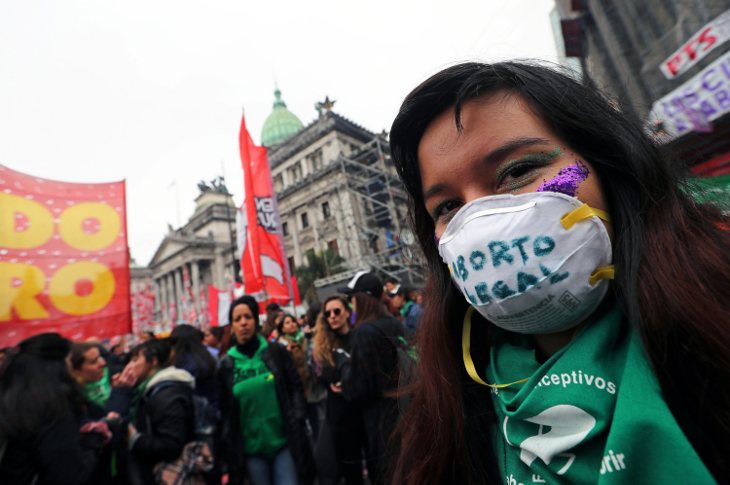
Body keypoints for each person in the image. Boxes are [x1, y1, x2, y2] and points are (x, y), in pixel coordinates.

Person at [387, 61, 730, 483]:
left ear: (610, 163)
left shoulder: (718, 315)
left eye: (517, 171)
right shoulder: (443, 414)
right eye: (447, 207)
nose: (481, 222)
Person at [218, 295, 315, 485]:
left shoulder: (275, 352)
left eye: (248, 317)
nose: (243, 323)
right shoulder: (226, 365)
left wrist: (298, 416)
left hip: (283, 443)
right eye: (237, 319)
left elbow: (294, 387)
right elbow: (225, 411)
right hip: (252, 450)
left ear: (256, 321)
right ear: (232, 326)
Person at [0, 333, 109, 485]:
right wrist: (94, 439)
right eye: (69, 364)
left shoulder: (12, 401)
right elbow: (70, 475)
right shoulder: (52, 409)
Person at [335, 272, 405, 485]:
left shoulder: (365, 332)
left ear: (361, 298)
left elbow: (360, 386)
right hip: (404, 412)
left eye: (351, 298)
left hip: (380, 421)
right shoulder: (393, 323)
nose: (350, 304)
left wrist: (344, 369)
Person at [125, 339, 196, 485]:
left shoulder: (166, 394)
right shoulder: (147, 390)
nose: (129, 366)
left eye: (135, 360)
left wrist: (135, 439)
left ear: (153, 361)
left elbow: (170, 445)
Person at [311, 295, 366, 485]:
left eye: (337, 311)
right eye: (328, 313)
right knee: (351, 471)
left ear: (347, 313)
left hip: (363, 410)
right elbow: (318, 373)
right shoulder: (322, 344)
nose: (332, 316)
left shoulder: (360, 336)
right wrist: (329, 382)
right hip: (340, 415)